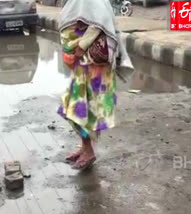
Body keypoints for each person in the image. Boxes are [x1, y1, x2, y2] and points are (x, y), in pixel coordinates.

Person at [58, 0, 133, 170]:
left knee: (80, 109)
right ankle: (85, 147)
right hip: (84, 65)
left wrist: (81, 47)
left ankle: (88, 151)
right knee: (80, 108)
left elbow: (99, 22)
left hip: (92, 64)